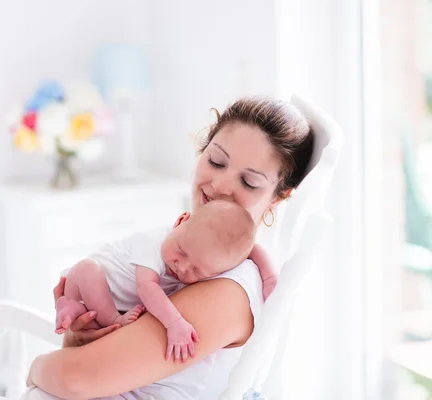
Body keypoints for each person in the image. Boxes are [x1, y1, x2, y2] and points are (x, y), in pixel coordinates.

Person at [25, 96, 314, 400]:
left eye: (249, 182)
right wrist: (80, 334)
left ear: (278, 197)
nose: (219, 186)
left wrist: (34, 370)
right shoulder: (184, 246)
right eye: (216, 161)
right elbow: (85, 369)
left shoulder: (229, 290)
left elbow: (76, 379)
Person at [55, 200, 257, 363]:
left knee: (89, 324)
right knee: (88, 267)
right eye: (181, 251)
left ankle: (72, 309)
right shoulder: (152, 243)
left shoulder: (209, 264)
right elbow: (146, 288)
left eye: (197, 270)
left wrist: (269, 276)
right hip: (83, 282)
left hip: (96, 308)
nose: (182, 267)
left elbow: (249, 251)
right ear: (179, 221)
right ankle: (102, 316)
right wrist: (175, 323)